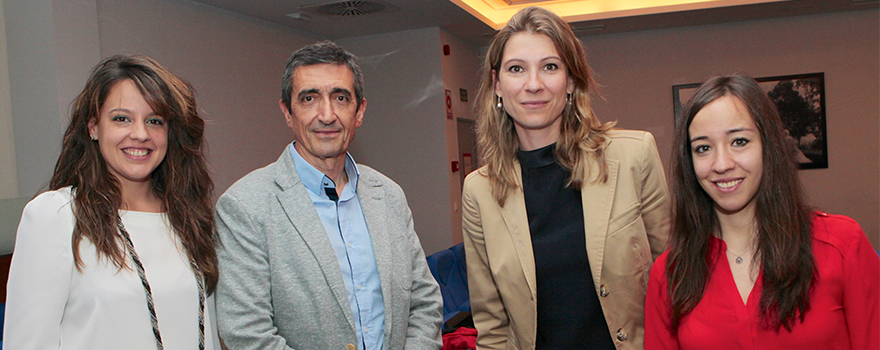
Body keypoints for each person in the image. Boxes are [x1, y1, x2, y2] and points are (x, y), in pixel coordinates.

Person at [461, 6, 671, 350]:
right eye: (517, 69)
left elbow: (673, 282)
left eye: (550, 67)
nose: (533, 84)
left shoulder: (633, 156)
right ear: (497, 85)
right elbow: (492, 324)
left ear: (570, 81)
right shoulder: (479, 191)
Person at [214, 41, 443, 350]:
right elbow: (247, 333)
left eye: (340, 97)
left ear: (359, 111)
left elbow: (424, 302)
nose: (327, 114)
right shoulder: (245, 206)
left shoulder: (388, 195)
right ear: (287, 112)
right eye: (309, 98)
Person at [644, 74, 880, 349]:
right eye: (703, 148)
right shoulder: (671, 274)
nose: (721, 164)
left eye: (740, 142)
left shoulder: (842, 244)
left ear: (769, 146)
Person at [4, 55, 220, 349]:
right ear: (93, 127)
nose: (140, 134)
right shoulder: (57, 215)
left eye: (154, 121)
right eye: (122, 119)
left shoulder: (190, 218)